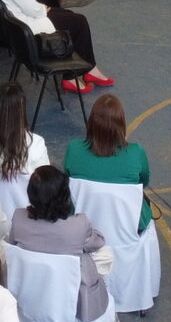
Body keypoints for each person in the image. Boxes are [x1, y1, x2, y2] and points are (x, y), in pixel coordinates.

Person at [9, 165, 113, 320]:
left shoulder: (18, 217)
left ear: (31, 194)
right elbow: (98, 242)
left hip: (32, 290)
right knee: (107, 255)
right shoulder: (79, 224)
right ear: (65, 195)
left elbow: (12, 243)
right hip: (74, 298)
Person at [63, 92, 150, 227]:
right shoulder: (135, 152)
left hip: (81, 222)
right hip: (128, 224)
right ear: (121, 124)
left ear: (91, 122)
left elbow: (68, 179)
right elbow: (143, 183)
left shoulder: (74, 148)